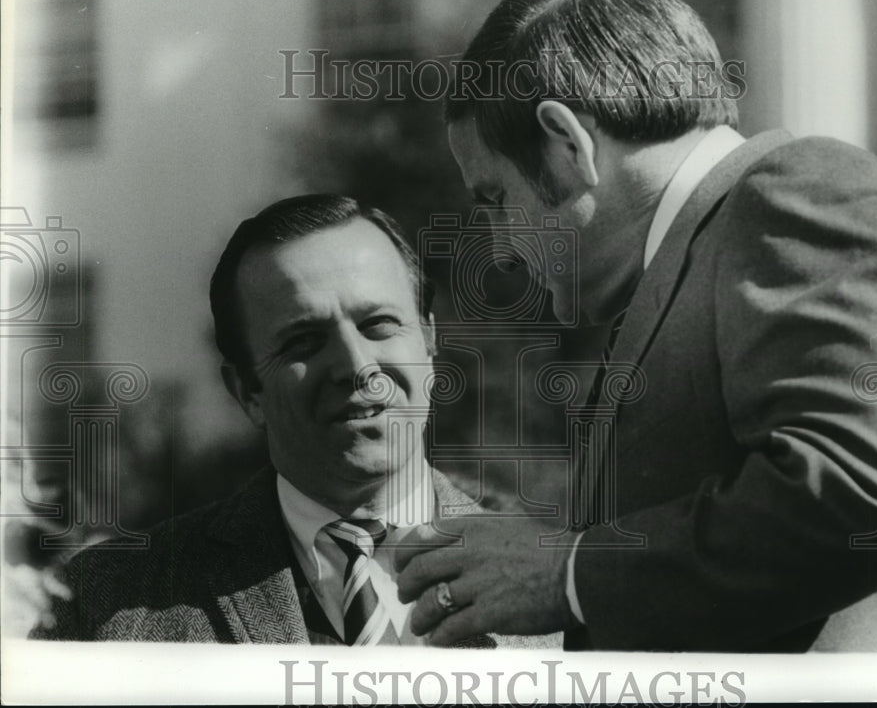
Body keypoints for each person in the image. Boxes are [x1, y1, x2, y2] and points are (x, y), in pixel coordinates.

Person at [392, 0, 877, 651]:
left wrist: (567, 572)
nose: (496, 249)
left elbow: (865, 498)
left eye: (495, 198)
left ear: (567, 145)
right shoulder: (713, 246)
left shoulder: (800, 192)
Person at [30, 194, 554, 647]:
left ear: (431, 342)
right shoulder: (107, 605)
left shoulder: (562, 578)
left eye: (378, 324)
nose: (356, 366)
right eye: (304, 342)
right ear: (247, 392)